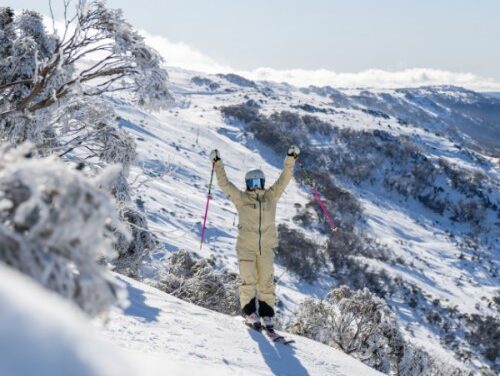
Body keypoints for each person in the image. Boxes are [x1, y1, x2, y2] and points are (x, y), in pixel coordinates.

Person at [209, 145, 300, 330]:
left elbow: (284, 179)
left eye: (259, 182)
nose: (256, 186)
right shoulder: (241, 199)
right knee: (248, 280)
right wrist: (217, 163)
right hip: (246, 247)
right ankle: (250, 313)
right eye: (252, 183)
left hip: (265, 247)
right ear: (247, 185)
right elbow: (225, 184)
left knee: (266, 281)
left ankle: (267, 315)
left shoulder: (270, 197)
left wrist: (291, 158)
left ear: (263, 182)